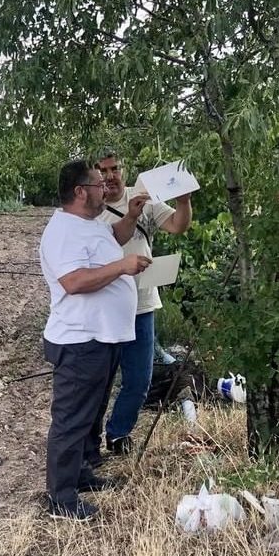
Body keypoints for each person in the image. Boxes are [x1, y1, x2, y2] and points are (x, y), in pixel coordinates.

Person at [39, 159, 151, 521]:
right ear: (79, 191)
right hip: (80, 341)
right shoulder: (63, 232)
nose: (106, 188)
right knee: (71, 418)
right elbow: (74, 282)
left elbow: (113, 239)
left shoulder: (90, 224)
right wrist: (123, 266)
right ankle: (61, 497)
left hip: (101, 338)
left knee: (91, 413)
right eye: (98, 184)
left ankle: (83, 473)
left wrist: (131, 218)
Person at [96, 151, 193, 456]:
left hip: (141, 305)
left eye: (114, 169)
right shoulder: (90, 210)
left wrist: (184, 199)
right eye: (102, 171)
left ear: (123, 170)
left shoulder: (143, 198)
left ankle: (118, 434)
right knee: (100, 380)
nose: (109, 176)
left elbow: (178, 226)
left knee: (139, 379)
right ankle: (87, 444)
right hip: (103, 308)